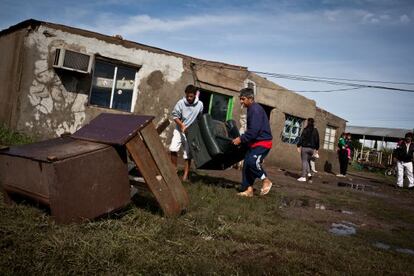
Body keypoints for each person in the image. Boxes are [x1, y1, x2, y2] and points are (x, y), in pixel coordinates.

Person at [232, 88, 273, 197]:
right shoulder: (251, 108)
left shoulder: (255, 109)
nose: (241, 101)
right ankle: (248, 189)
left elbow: (254, 131)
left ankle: (265, 180)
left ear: (250, 99)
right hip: (255, 143)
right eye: (240, 99)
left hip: (263, 143)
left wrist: (241, 139)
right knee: (246, 165)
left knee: (251, 162)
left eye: (243, 99)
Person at [169, 84, 203, 181]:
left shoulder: (200, 105)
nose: (189, 98)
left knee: (187, 154)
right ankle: (173, 170)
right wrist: (182, 125)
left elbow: (199, 118)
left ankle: (185, 175)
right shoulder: (180, 103)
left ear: (195, 95)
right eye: (187, 96)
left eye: (191, 96)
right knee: (173, 148)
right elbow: (175, 116)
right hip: (179, 129)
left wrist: (195, 129)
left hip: (190, 132)